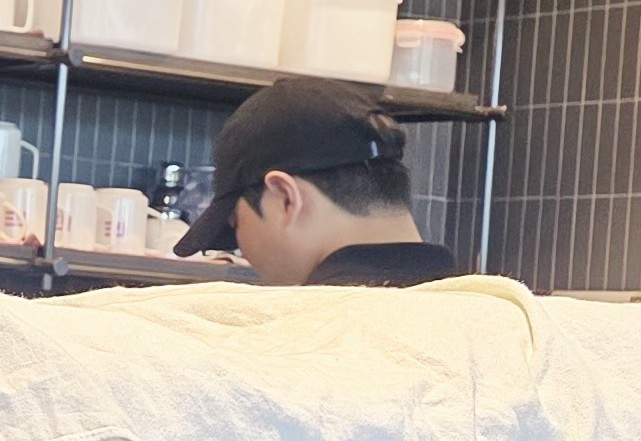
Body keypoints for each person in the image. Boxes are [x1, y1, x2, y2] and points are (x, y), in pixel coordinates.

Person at [173, 79, 461, 286]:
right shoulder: (483, 312)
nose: (242, 254)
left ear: (285, 198)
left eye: (234, 225)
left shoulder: (292, 339)